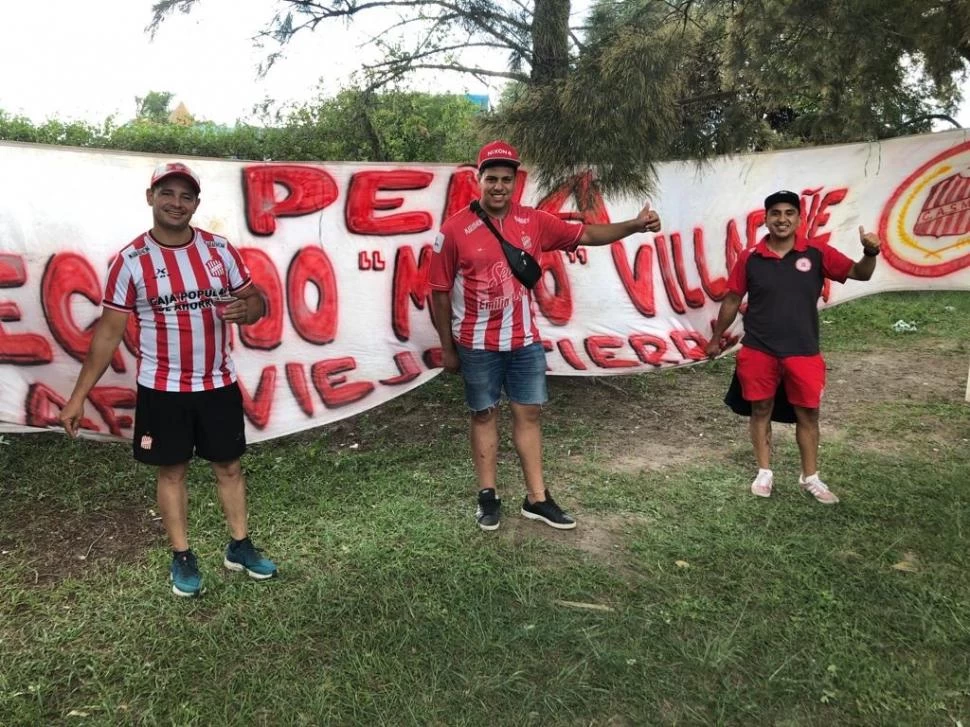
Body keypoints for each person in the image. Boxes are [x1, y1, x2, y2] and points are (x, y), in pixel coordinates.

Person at [59, 162, 277, 597]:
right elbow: (108, 333)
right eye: (167, 193)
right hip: (163, 389)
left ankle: (239, 545)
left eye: (186, 196)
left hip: (218, 383)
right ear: (150, 198)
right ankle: (182, 555)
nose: (176, 203)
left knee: (229, 466)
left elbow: (257, 301)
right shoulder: (131, 260)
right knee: (172, 471)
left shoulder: (219, 250)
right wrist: (77, 397)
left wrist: (248, 310)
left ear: (196, 203)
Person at [430, 140, 662, 531]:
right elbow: (437, 289)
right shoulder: (454, 230)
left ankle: (537, 499)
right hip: (477, 344)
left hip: (523, 342)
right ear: (478, 180)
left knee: (529, 414)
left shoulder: (533, 221)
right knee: (483, 415)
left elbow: (586, 234)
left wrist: (634, 226)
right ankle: (488, 497)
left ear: (515, 182)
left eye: (506, 179)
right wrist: (447, 348)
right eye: (492, 179)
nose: (499, 186)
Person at [705, 190, 882, 504]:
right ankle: (764, 472)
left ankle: (810, 477)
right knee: (760, 410)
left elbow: (861, 274)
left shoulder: (816, 253)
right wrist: (716, 338)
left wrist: (870, 253)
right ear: (766, 219)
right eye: (775, 213)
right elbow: (733, 299)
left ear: (799, 219)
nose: (782, 219)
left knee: (809, 415)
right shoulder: (750, 257)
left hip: (803, 349)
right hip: (758, 348)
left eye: (789, 213)